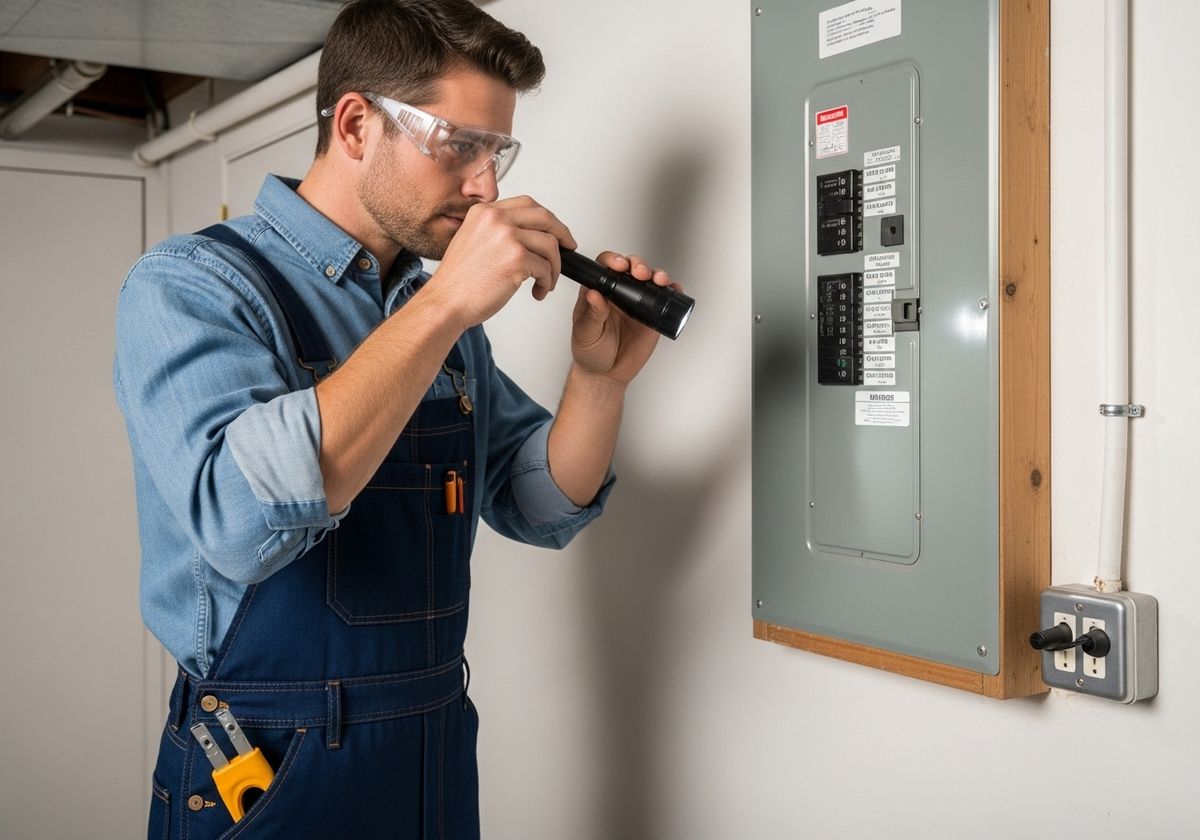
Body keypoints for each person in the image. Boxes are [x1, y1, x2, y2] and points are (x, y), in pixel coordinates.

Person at [114, 1, 677, 837]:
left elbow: (536, 504)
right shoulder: (192, 286)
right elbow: (238, 522)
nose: (486, 186)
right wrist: (446, 305)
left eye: (497, 152)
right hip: (268, 761)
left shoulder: (433, 311)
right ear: (354, 125)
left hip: (433, 742)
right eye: (460, 146)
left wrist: (600, 382)